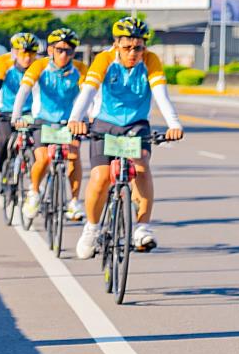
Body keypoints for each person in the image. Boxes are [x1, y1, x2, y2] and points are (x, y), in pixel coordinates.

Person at [67, 16, 184, 258]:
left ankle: (142, 228)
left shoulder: (151, 61)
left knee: (141, 166)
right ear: (116, 45)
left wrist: (174, 124)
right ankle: (91, 228)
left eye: (138, 47)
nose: (133, 53)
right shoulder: (104, 59)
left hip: (135, 124)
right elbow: (88, 91)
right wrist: (75, 119)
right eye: (127, 47)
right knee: (100, 177)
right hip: (105, 123)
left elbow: (161, 94)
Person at [11, 28, 88, 220]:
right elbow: (24, 91)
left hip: (69, 121)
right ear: (50, 50)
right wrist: (16, 116)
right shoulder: (39, 66)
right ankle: (34, 193)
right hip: (43, 120)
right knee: (44, 159)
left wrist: (90, 118)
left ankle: (74, 202)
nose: (64, 55)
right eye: (59, 50)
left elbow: (90, 93)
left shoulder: (80, 68)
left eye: (69, 51)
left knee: (73, 155)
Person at [0, 33, 39, 196]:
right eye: (23, 53)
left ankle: (36, 181)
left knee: (38, 146)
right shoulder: (3, 63)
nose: (27, 58)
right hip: (6, 110)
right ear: (14, 52)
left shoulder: (40, 65)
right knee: (4, 139)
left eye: (31, 53)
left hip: (30, 111)